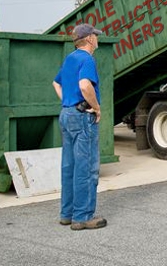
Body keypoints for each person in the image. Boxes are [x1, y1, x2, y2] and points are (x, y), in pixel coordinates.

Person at [52, 23, 107, 231]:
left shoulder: (70, 59)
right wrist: (97, 108)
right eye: (96, 35)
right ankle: (83, 216)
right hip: (82, 117)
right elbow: (85, 85)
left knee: (70, 165)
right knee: (87, 166)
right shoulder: (87, 59)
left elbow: (56, 83)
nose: (98, 38)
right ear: (90, 39)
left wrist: (68, 101)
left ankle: (67, 214)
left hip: (66, 114)